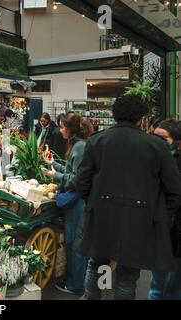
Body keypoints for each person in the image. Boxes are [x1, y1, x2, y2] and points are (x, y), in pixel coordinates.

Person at [75, 95, 181, 300]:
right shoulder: (156, 146)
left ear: (115, 114)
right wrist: (158, 215)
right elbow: (174, 191)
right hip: (139, 220)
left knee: (99, 265)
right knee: (127, 274)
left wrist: (94, 203)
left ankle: (96, 296)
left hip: (102, 216)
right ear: (141, 118)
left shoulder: (97, 141)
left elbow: (82, 183)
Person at [42, 114, 94, 295]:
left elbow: (76, 180)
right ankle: (78, 280)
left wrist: (54, 175)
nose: (60, 130)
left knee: (75, 242)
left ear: (71, 129)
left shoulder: (79, 147)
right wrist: (53, 163)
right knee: (75, 241)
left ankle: (76, 285)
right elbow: (72, 170)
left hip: (78, 201)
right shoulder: (79, 145)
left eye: (63, 127)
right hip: (79, 200)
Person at [148, 119, 181, 300]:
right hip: (161, 227)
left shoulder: (173, 161)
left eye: (164, 139)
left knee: (171, 283)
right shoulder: (155, 160)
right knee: (159, 280)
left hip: (172, 228)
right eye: (155, 137)